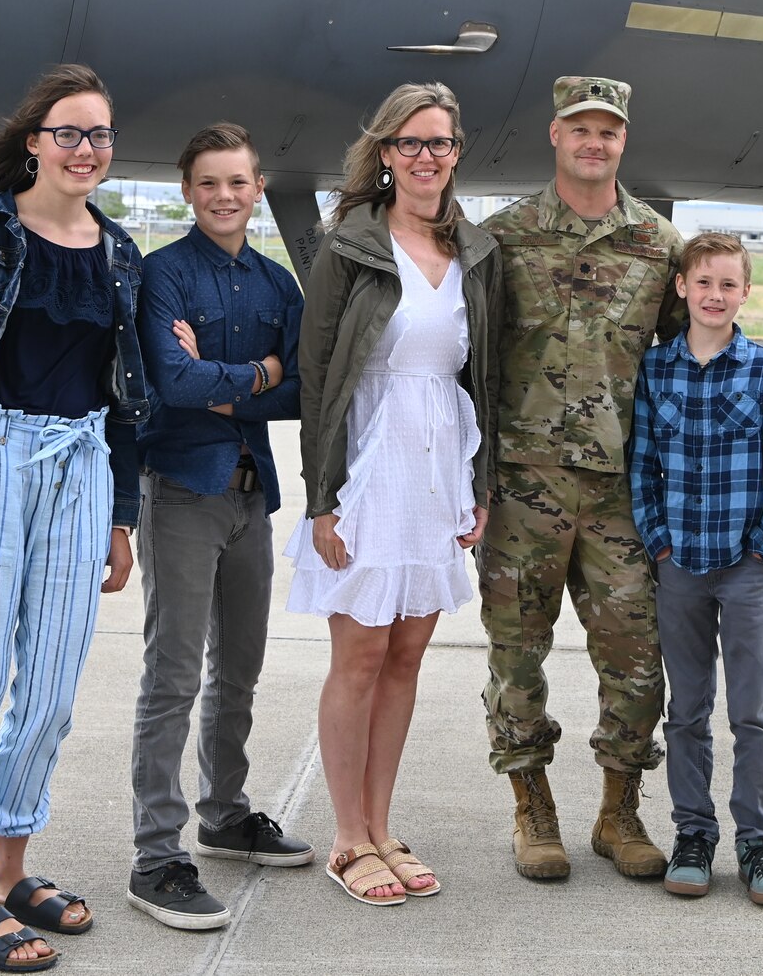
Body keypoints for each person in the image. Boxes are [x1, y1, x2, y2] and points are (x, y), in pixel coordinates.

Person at [0, 64, 148, 972]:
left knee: (49, 684)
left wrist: (120, 515)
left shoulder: (119, 251)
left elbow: (128, 398)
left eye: (102, 135)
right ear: (33, 141)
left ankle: (10, 866)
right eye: (70, 133)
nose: (87, 150)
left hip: (80, 466)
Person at [287, 81, 504, 906]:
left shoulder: (476, 252)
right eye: (410, 143)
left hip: (441, 456)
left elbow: (481, 374)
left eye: (440, 143)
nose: (426, 157)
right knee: (362, 653)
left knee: (408, 652)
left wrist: (478, 485)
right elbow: (317, 380)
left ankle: (382, 823)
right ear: (385, 154)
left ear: (456, 153)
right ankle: (348, 838)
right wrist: (322, 497)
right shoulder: (348, 244)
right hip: (368, 457)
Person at [479, 76, 684, 882]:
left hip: (617, 492)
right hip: (520, 485)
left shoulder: (658, 245)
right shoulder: (505, 237)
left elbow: (679, 361)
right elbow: (471, 358)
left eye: (609, 130)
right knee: (516, 656)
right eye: (580, 129)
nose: (594, 142)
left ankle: (618, 810)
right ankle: (533, 806)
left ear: (623, 141)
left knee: (637, 656)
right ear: (555, 136)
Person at [125, 123, 313, 931]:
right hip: (180, 492)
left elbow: (304, 387)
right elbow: (172, 380)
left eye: (237, 181)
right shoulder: (159, 275)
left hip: (251, 496)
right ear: (187, 191)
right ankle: (156, 854)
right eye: (209, 182)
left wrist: (242, 381)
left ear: (258, 186)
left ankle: (226, 814)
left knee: (240, 670)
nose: (225, 196)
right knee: (173, 676)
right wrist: (258, 373)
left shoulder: (277, 287)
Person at [630, 232, 763, 907]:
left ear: (745, 292)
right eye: (703, 283)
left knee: (753, 711)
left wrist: (761, 546)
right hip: (681, 567)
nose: (714, 295)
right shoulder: (658, 370)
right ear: (682, 287)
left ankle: (760, 842)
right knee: (687, 711)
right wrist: (661, 543)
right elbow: (643, 465)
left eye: (728, 285)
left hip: (746, 567)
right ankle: (693, 834)